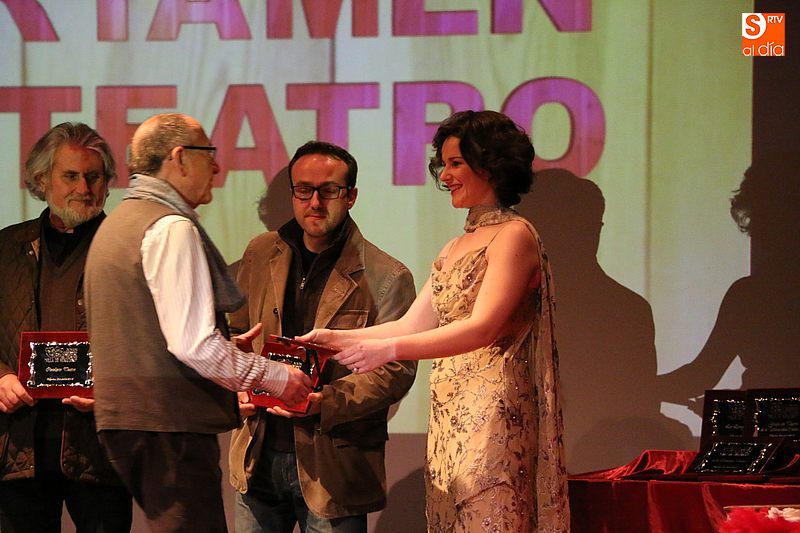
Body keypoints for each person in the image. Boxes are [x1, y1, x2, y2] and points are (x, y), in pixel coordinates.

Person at [301, 111, 570, 532]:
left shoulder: (514, 235)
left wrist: (386, 351)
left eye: (455, 163)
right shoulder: (453, 246)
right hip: (450, 413)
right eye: (443, 164)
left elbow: (483, 327)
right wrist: (335, 338)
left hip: (493, 416)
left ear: (491, 165)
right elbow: (413, 323)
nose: (444, 176)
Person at [83, 113, 312, 532]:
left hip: (127, 422)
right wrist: (277, 377)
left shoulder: (118, 223)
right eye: (209, 153)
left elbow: (148, 331)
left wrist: (227, 347)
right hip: (169, 425)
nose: (218, 166)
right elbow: (195, 346)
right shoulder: (169, 226)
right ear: (180, 158)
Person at [228, 141, 417, 533]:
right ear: (293, 194)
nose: (315, 202)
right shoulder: (260, 253)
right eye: (304, 190)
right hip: (257, 456)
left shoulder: (387, 276)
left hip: (335, 465)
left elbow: (397, 370)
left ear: (351, 196)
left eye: (328, 190)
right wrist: (237, 378)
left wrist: (324, 401)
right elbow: (235, 331)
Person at [0, 122, 133, 531]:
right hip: (18, 445)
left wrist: (114, 389)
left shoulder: (130, 248)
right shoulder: (6, 247)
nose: (84, 188)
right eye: (70, 176)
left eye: (94, 176)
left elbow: (153, 342)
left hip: (99, 448)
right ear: (42, 180)